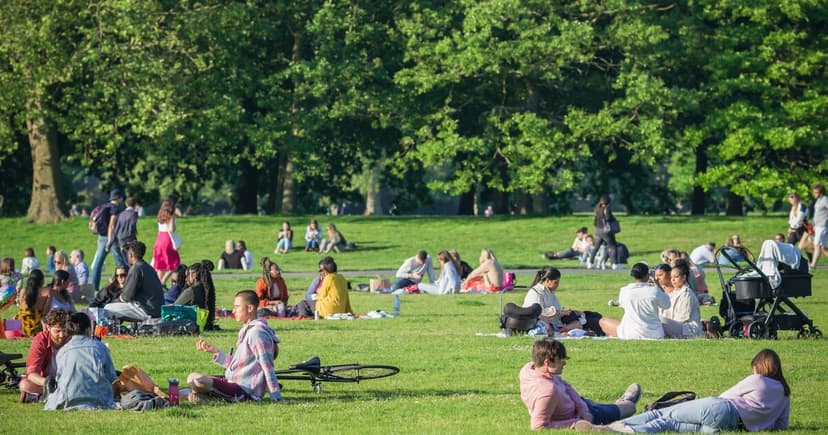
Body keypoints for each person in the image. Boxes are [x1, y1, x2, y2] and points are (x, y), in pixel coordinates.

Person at [574, 349, 790, 433]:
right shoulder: (784, 393)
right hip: (735, 425)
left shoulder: (757, 379)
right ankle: (617, 430)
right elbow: (781, 426)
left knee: (661, 413)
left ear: (759, 366)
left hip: (721, 408)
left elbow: (727, 395)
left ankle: (616, 428)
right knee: (673, 423)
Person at [519, 339, 641, 430]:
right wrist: (576, 422)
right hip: (587, 416)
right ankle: (626, 404)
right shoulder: (547, 391)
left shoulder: (529, 368)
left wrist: (582, 408)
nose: (565, 363)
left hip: (581, 406)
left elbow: (565, 385)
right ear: (547, 362)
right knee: (630, 408)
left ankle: (609, 405)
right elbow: (538, 426)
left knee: (592, 403)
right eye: (561, 360)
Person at [186, 290, 282, 402]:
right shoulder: (247, 330)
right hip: (233, 383)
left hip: (244, 390)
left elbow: (267, 367)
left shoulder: (257, 333)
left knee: (197, 380)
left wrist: (276, 396)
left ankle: (213, 398)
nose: (233, 311)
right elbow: (238, 365)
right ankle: (206, 398)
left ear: (250, 308)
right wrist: (215, 351)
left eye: (237, 307)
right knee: (191, 381)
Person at [45, 312, 117, 410]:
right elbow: (111, 377)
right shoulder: (100, 347)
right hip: (99, 401)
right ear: (89, 329)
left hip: (67, 400)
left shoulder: (62, 352)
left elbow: (59, 379)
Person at [599, 263, 670, 339]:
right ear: (648, 275)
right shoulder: (655, 291)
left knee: (603, 321)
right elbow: (667, 305)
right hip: (654, 334)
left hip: (630, 333)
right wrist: (658, 285)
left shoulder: (624, 291)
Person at [18, 309, 71, 402]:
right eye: (58, 331)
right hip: (47, 381)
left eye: (65, 330)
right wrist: (47, 382)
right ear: (48, 327)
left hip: (68, 380)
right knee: (24, 384)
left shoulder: (72, 340)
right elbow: (32, 373)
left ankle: (40, 397)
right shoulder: (40, 340)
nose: (62, 335)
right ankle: (55, 393)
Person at [104, 241, 164, 321]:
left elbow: (126, 297)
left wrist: (114, 301)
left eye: (128, 252)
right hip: (156, 309)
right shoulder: (148, 267)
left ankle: (142, 323)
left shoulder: (136, 268)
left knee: (108, 308)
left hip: (147, 311)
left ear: (131, 255)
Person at [89, 189, 126, 292]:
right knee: (120, 262)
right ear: (119, 198)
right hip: (111, 238)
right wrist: (110, 240)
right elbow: (112, 225)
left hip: (101, 237)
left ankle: (94, 287)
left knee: (98, 262)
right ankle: (124, 284)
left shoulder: (104, 206)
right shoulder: (115, 208)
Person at [660, 262, 703, 339]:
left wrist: (669, 323)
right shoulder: (673, 293)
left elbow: (682, 318)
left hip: (688, 329)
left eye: (676, 277)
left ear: (683, 277)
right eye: (671, 277)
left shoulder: (687, 293)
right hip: (677, 326)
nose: (673, 280)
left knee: (662, 321)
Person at [153, 196, 181, 286]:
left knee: (161, 264)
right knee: (175, 262)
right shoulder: (171, 215)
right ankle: (163, 281)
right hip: (167, 239)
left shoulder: (160, 214)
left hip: (159, 239)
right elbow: (172, 229)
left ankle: (158, 284)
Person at [589, 195, 621, 270]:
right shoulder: (607, 208)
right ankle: (614, 264)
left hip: (598, 230)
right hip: (606, 231)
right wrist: (614, 218)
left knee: (596, 247)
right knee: (613, 246)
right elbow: (608, 218)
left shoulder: (597, 208)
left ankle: (590, 263)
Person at [15, 270, 47, 337]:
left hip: (21, 325)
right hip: (36, 326)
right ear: (41, 280)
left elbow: (21, 305)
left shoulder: (23, 290)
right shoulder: (43, 291)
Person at [110, 196, 139, 262]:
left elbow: (116, 228)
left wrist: (112, 240)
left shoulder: (121, 214)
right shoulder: (134, 214)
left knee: (125, 258)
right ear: (135, 204)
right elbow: (132, 225)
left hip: (121, 239)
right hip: (130, 238)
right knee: (132, 258)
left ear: (126, 204)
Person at [810, 183, 828, 269]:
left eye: (815, 192)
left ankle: (813, 265)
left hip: (822, 226)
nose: (814, 194)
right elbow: (817, 213)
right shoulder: (818, 200)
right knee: (822, 247)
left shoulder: (825, 199)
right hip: (817, 226)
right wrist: (813, 223)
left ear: (820, 192)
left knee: (817, 245)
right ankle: (813, 264)